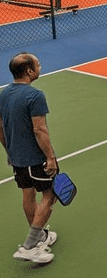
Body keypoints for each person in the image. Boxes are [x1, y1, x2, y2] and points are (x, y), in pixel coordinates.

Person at [0, 53, 59, 264]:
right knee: (49, 196)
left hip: (17, 158)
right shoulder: (35, 96)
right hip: (36, 159)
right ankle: (30, 246)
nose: (40, 67)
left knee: (28, 193)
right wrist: (50, 158)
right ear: (29, 71)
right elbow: (40, 129)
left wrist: (10, 151)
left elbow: (0, 127)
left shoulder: (3, 94)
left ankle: (40, 236)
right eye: (38, 65)